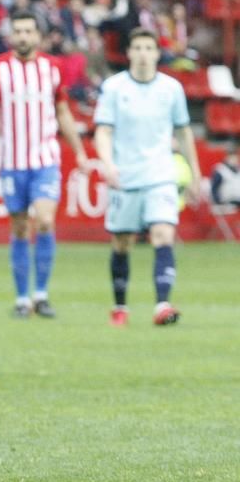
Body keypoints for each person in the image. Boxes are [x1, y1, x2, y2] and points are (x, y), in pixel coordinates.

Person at [0, 12, 89, 319]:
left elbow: (63, 111)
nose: (23, 36)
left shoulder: (53, 68)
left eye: (28, 31)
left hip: (45, 159)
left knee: (44, 220)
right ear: (11, 36)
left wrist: (78, 150)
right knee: (18, 225)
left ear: (38, 36)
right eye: (18, 31)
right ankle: (21, 298)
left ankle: (41, 294)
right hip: (12, 161)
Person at [94, 28, 201, 328]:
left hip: (160, 174)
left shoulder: (171, 89)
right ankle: (120, 307)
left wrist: (194, 173)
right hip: (125, 176)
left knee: (163, 234)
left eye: (148, 48)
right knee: (122, 242)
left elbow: (183, 131)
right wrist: (107, 163)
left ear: (157, 53)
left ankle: (162, 305)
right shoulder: (114, 88)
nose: (142, 53)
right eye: (137, 47)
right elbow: (103, 130)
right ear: (129, 53)